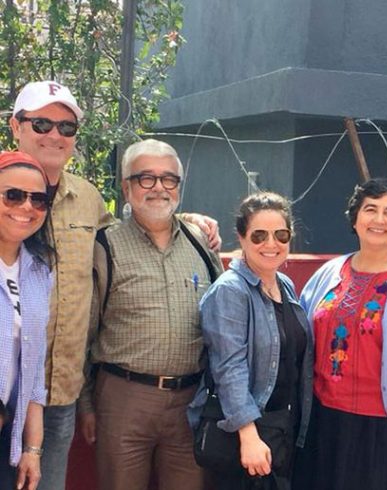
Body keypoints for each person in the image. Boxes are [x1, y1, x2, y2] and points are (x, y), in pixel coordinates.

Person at [8, 81, 220, 490]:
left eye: (66, 128)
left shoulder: (87, 200)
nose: (55, 135)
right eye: (42, 123)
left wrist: (187, 218)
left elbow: (140, 222)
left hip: (57, 395)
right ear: (17, 126)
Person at [79, 139, 223, 489]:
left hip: (191, 400)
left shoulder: (201, 243)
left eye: (168, 179)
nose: (159, 187)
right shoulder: (104, 245)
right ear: (127, 188)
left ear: (179, 187)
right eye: (146, 178)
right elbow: (83, 331)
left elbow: (224, 318)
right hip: (124, 398)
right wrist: (85, 404)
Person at [298, 178, 387, 490]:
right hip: (327, 423)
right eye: (371, 209)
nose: (379, 220)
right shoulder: (326, 275)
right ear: (355, 218)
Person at [188, 192, 314, 489]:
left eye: (280, 235)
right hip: (245, 438)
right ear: (241, 238)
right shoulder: (231, 291)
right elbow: (228, 367)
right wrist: (248, 435)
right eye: (259, 235)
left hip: (280, 431)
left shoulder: (285, 285)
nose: (271, 244)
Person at [0, 151, 57, 490]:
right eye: (13, 195)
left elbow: (34, 372)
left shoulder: (39, 271)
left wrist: (32, 449)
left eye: (38, 199)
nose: (26, 207)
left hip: (10, 434)